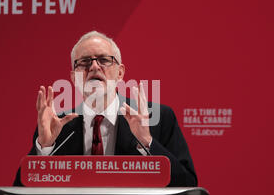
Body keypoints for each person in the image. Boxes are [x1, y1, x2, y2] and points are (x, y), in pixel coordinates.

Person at [13, 31, 197, 187]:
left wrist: (147, 142)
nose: (94, 66)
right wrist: (44, 150)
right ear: (73, 77)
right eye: (84, 62)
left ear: (120, 73)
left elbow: (187, 184)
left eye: (103, 60)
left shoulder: (156, 118)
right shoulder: (57, 126)